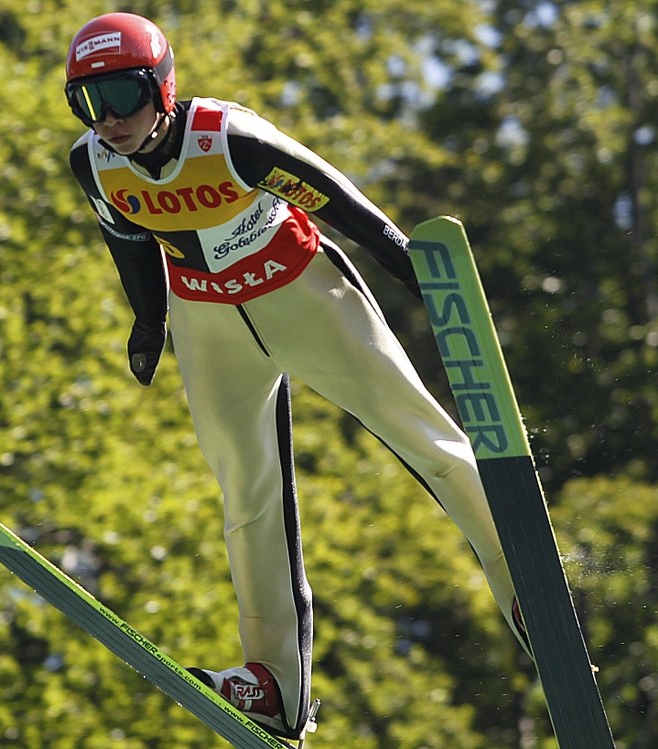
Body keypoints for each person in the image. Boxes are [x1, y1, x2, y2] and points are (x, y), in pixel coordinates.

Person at [64, 12, 530, 740]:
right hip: (206, 321)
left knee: (423, 441)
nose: (108, 120)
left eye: (122, 96)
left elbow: (340, 201)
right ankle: (275, 685)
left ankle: (522, 582)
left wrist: (415, 273)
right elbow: (126, 240)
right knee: (246, 495)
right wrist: (147, 323)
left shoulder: (231, 140)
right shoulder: (93, 162)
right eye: (87, 103)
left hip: (301, 293)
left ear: (163, 85)